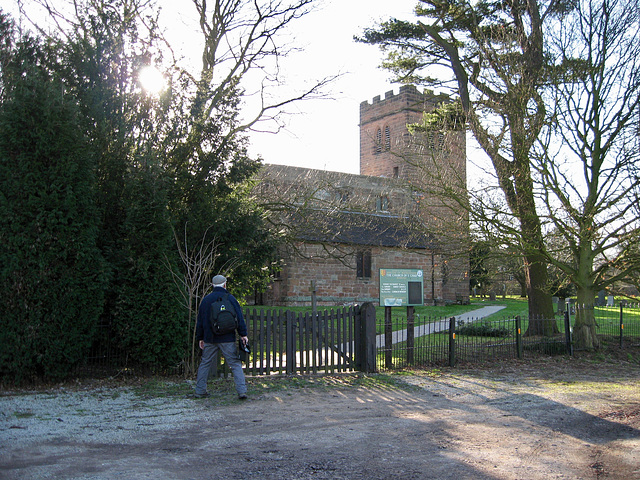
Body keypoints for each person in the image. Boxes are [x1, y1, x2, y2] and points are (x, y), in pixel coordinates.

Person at [195, 274, 249, 400]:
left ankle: (200, 390)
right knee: (235, 364)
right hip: (227, 338)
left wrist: (200, 338)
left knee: (205, 363)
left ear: (212, 285)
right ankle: (242, 391)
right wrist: (243, 334)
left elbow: (201, 321)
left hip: (210, 338)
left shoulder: (206, 300)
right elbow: (239, 318)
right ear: (225, 284)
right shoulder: (230, 298)